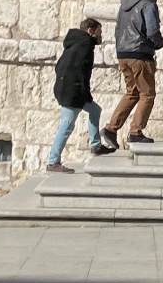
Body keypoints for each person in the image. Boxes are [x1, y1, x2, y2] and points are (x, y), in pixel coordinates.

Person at [105, 0, 163, 148]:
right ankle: (135, 131)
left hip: (123, 53)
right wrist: (159, 43)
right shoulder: (148, 4)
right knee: (147, 94)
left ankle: (111, 128)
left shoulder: (125, 5)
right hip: (140, 53)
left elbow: (118, 29)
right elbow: (152, 31)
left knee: (132, 92)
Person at [46, 17, 113, 172]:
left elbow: (59, 66)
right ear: (90, 31)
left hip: (68, 88)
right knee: (67, 125)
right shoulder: (86, 44)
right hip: (73, 92)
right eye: (98, 32)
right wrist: (84, 92)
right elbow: (81, 71)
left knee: (95, 110)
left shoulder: (74, 42)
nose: (100, 35)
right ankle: (53, 162)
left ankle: (96, 146)